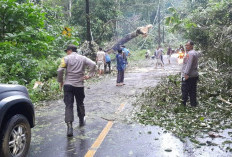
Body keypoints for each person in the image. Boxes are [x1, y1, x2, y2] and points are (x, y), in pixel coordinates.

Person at [57, 44, 96, 137]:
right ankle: (81, 120)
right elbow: (93, 64)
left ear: (70, 50)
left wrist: (61, 81)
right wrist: (89, 75)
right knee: (80, 102)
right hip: (79, 85)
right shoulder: (83, 58)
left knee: (68, 105)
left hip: (68, 85)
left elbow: (59, 70)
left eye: (67, 50)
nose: (66, 52)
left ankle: (70, 127)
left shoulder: (65, 58)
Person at [181, 41, 201, 107]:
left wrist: (186, 74)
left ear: (192, 46)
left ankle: (183, 106)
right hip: (194, 75)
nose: (186, 47)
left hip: (189, 76)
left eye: (188, 45)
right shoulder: (194, 53)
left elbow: (189, 64)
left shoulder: (190, 54)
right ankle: (193, 105)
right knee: (193, 92)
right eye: (186, 45)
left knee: (185, 91)